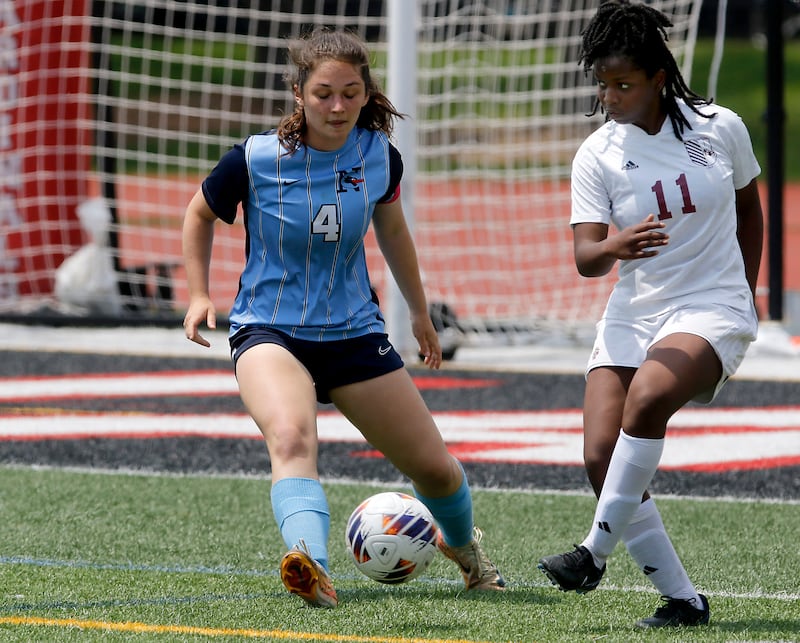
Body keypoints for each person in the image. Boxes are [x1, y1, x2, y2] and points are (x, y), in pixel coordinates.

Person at [182, 28, 505, 608]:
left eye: (350, 93)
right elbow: (199, 214)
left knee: (435, 471)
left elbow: (394, 231)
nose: (337, 106)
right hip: (269, 329)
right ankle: (310, 564)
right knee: (290, 435)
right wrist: (199, 294)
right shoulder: (255, 158)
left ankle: (468, 554)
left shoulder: (380, 156)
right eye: (324, 93)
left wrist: (420, 314)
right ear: (299, 93)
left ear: (365, 94)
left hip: (355, 333)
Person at [537, 0, 763, 630]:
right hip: (635, 311)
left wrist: (744, 291)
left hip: (712, 306)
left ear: (659, 77)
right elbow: (586, 257)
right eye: (603, 84)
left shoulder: (721, 126)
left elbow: (750, 208)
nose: (610, 96)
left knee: (648, 400)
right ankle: (684, 603)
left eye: (623, 84)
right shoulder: (597, 154)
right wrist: (615, 244)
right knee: (600, 454)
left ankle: (593, 553)